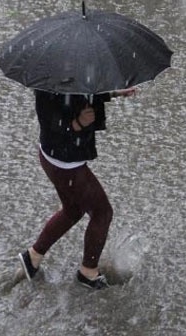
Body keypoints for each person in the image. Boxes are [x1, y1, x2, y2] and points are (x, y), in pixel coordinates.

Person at [18, 87, 137, 290]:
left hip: (54, 157)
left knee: (73, 210)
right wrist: (77, 123)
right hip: (65, 164)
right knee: (102, 212)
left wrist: (114, 93)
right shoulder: (50, 86)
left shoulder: (68, 76)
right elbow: (51, 122)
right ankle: (88, 272)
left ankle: (33, 256)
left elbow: (82, 93)